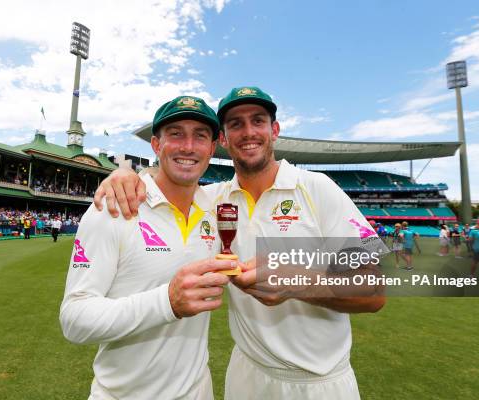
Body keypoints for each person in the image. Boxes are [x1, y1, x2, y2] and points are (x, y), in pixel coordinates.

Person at [94, 87, 387, 399]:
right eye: (235, 124)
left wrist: (298, 283)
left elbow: (375, 290)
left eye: (258, 121)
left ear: (274, 130)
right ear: (223, 138)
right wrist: (127, 174)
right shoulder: (214, 199)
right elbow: (168, 179)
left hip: (320, 382)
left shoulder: (317, 188)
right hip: (246, 374)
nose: (248, 132)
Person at [60, 95, 239, 400]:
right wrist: (166, 302)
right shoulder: (115, 205)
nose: (188, 146)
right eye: (176, 134)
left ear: (212, 147)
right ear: (156, 145)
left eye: (200, 136)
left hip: (199, 392)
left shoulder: (217, 206)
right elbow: (74, 319)